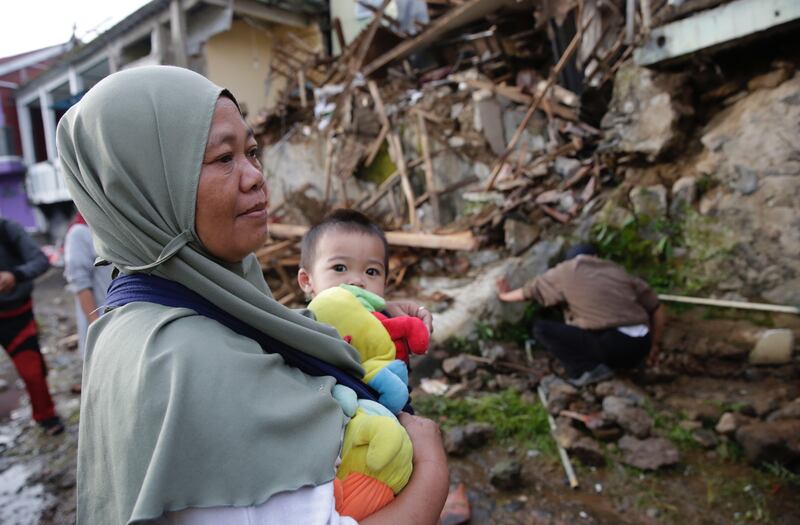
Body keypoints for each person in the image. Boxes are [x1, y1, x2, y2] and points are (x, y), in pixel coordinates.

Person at [56, 65, 448, 525]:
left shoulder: (143, 317)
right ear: (144, 186)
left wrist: (362, 315)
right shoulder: (185, 363)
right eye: (224, 159)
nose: (255, 176)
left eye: (252, 151)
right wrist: (432, 469)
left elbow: (269, 336)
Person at [496, 243, 666, 387]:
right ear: (596, 256)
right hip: (640, 345)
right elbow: (657, 307)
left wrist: (505, 295)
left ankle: (585, 372)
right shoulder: (617, 270)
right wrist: (654, 346)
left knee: (542, 329)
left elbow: (530, 291)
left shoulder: (566, 270)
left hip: (613, 346)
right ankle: (627, 368)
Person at [297, 208, 432, 334]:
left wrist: (413, 320)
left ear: (385, 282)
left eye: (371, 272)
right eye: (339, 268)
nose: (357, 281)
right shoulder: (300, 330)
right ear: (307, 280)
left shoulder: (387, 325)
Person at [0, 217, 64, 435]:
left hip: (16, 315)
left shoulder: (7, 228)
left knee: (33, 372)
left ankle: (46, 417)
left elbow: (40, 261)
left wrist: (15, 275)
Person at [63, 212, 113, 393]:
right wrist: (97, 326)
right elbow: (80, 285)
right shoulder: (80, 233)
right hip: (102, 320)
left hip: (121, 318)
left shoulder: (114, 226)